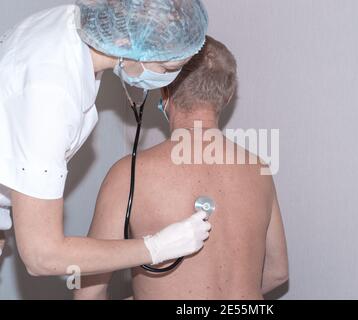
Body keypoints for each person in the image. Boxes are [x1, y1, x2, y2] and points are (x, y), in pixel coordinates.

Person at [0, 0, 212, 277]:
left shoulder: (70, 22)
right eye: (164, 68)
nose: (167, 80)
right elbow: (42, 255)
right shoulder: (51, 94)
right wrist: (156, 248)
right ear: (126, 40)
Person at [74, 36, 289, 300]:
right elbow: (278, 272)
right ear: (228, 95)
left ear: (164, 90)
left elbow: (89, 292)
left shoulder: (129, 174)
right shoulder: (259, 169)